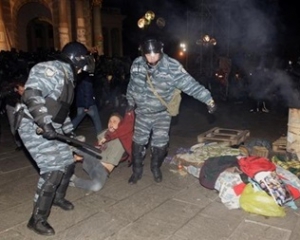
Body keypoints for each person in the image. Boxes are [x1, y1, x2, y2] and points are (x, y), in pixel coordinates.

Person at [16, 41, 95, 236]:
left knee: (67, 163)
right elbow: (31, 94)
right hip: (32, 124)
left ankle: (57, 198)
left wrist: (69, 136)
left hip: (50, 125)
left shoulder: (68, 78)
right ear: (76, 60)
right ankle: (37, 219)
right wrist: (44, 123)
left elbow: (61, 113)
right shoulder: (51, 69)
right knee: (53, 170)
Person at [126, 36, 217, 184]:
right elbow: (132, 85)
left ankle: (156, 168)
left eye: (154, 54)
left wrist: (208, 100)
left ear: (160, 51)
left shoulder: (172, 67)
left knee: (160, 144)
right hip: (142, 112)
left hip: (162, 113)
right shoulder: (137, 64)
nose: (151, 58)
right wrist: (130, 101)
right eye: (148, 55)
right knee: (138, 143)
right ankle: (137, 171)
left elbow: (190, 84)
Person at [70, 110, 134, 191]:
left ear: (121, 125)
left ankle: (73, 180)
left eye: (114, 121)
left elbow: (128, 126)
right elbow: (95, 151)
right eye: (110, 121)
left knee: (96, 186)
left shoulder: (124, 136)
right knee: (92, 149)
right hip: (93, 161)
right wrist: (82, 157)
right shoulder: (103, 135)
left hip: (102, 171)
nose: (111, 123)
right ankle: (74, 145)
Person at [71, 72, 103, 142]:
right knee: (97, 121)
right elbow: (88, 94)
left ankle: (67, 131)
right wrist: (87, 106)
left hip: (80, 104)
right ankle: (101, 138)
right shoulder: (87, 80)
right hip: (89, 105)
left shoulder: (79, 80)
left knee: (77, 119)